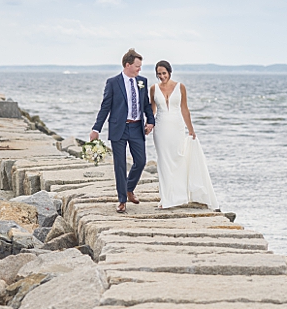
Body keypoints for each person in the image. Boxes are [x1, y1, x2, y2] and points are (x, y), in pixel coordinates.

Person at [90, 48, 155, 213]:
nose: (139, 69)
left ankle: (129, 188)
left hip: (137, 127)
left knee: (140, 161)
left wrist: (151, 121)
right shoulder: (113, 82)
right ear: (127, 65)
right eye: (137, 66)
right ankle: (121, 200)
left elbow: (146, 104)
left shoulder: (142, 81)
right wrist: (96, 129)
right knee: (119, 165)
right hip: (119, 127)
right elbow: (105, 107)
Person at [149, 60, 219, 210]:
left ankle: (179, 196)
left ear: (169, 72)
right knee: (163, 161)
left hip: (177, 127)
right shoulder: (153, 89)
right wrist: (148, 125)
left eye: (164, 73)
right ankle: (166, 198)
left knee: (178, 158)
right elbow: (152, 111)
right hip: (160, 128)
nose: (162, 76)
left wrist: (191, 129)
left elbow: (185, 109)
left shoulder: (180, 87)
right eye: (159, 74)